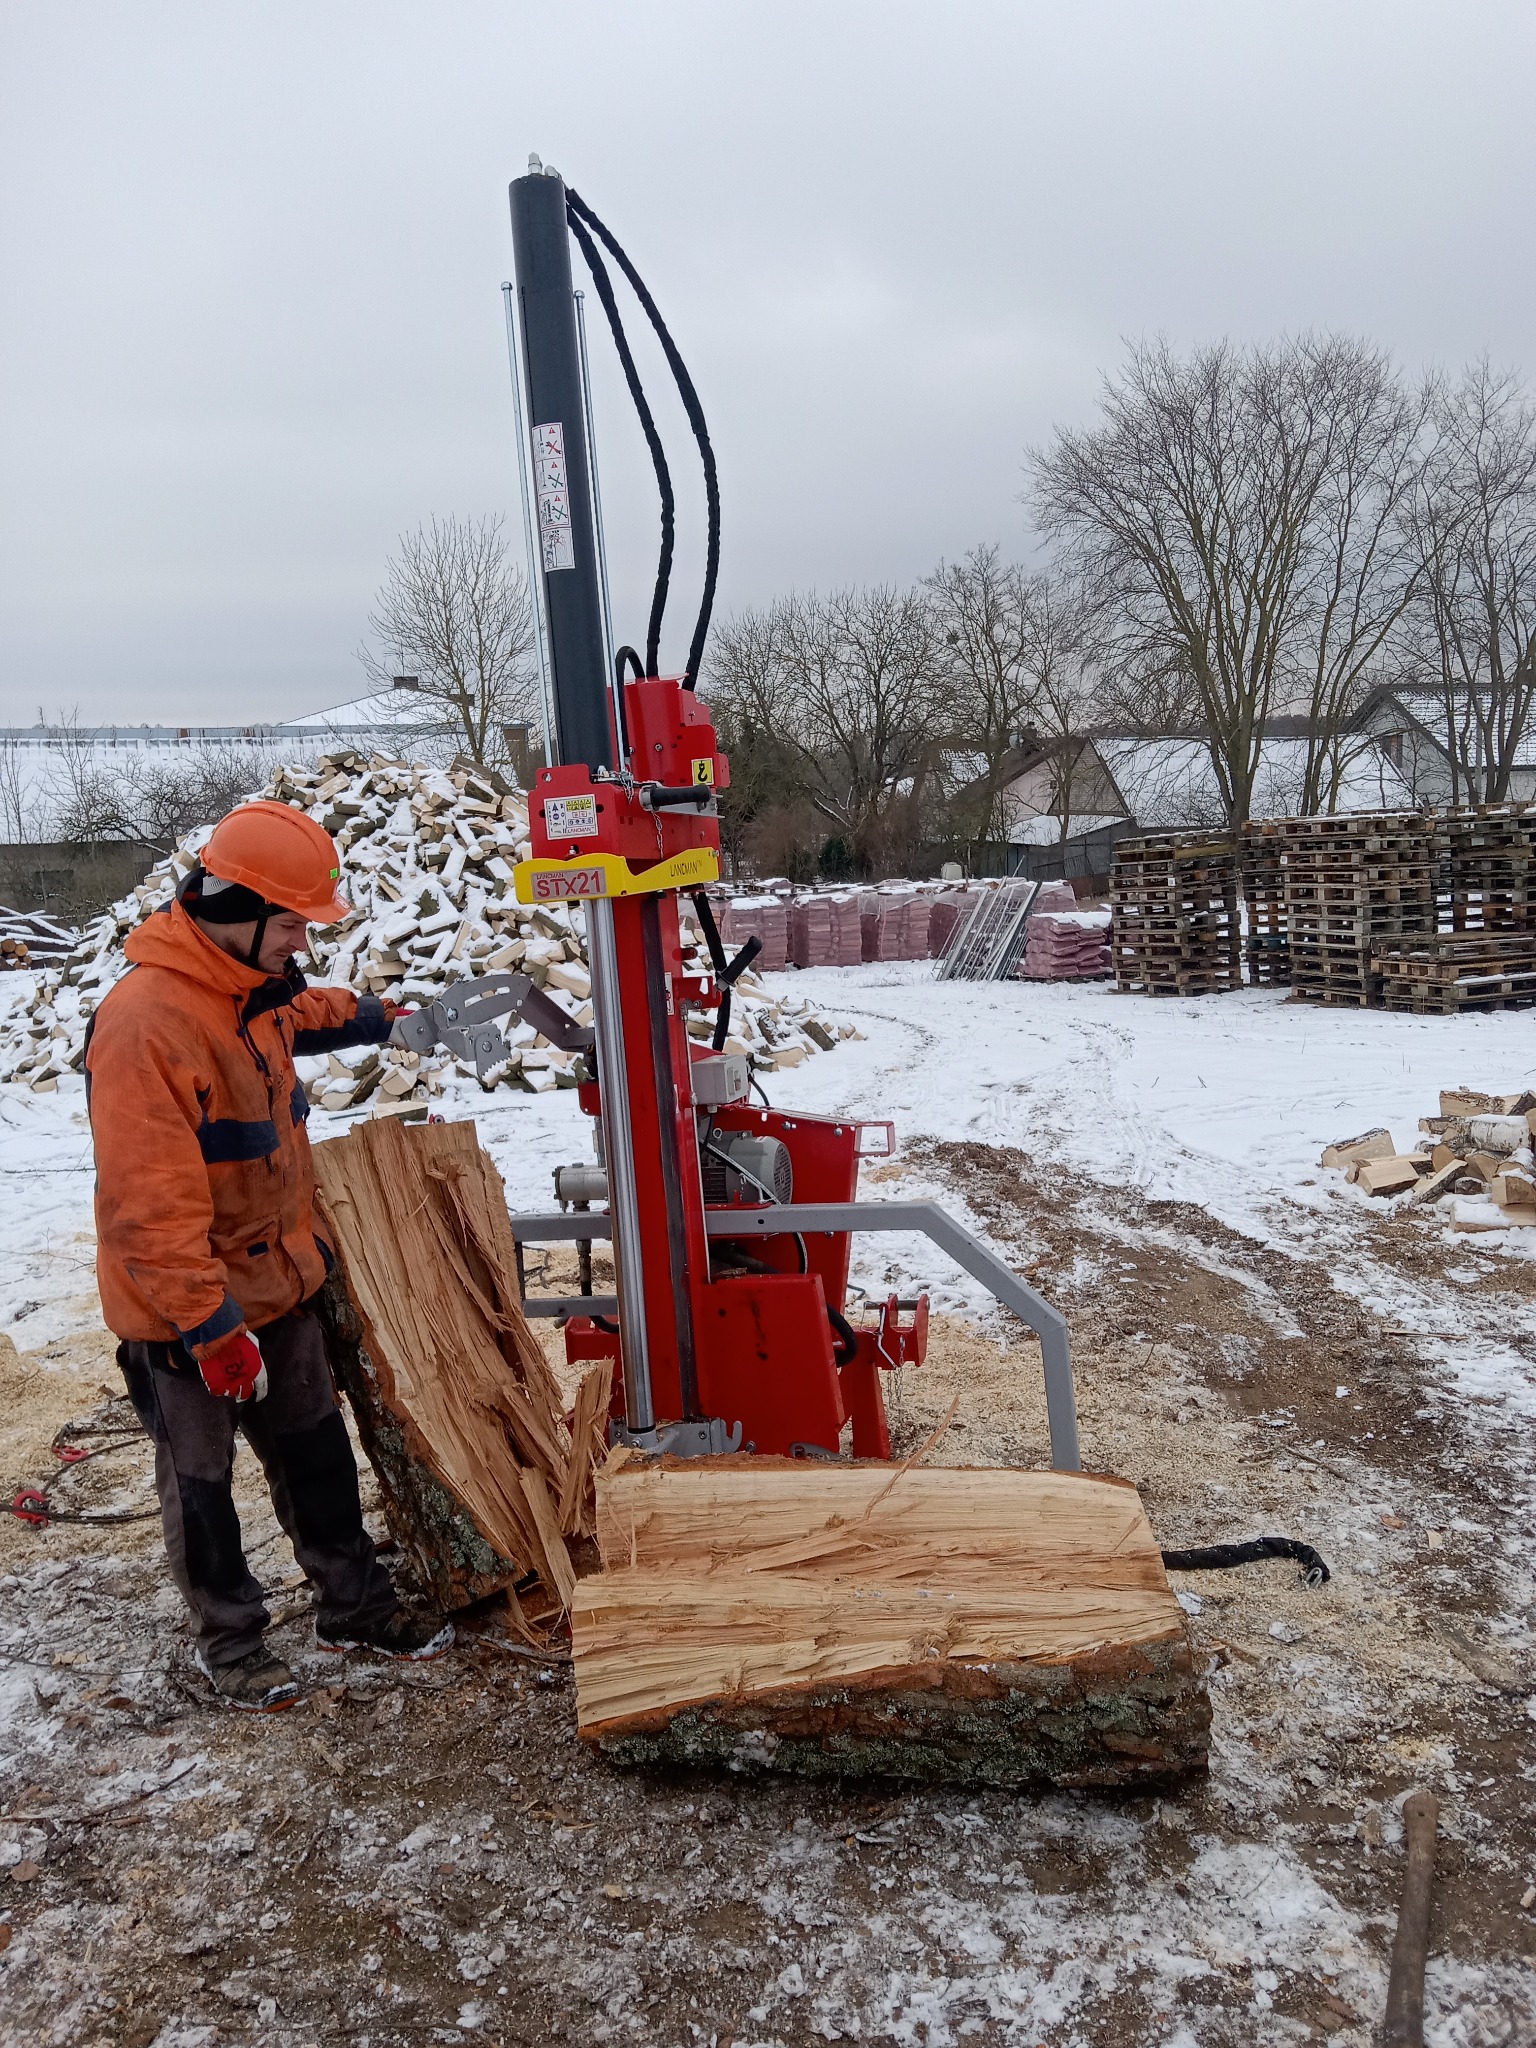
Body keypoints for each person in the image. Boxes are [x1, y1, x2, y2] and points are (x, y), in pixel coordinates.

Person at [85, 799, 452, 1711]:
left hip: (278, 1280)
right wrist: (210, 1331)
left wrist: (381, 1018)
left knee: (316, 1452)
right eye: (291, 923)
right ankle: (233, 1643)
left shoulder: (253, 986)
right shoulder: (145, 1024)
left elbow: (303, 1013)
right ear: (239, 909)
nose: (302, 942)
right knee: (202, 1486)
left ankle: (354, 1608)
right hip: (186, 1312)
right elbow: (148, 1211)